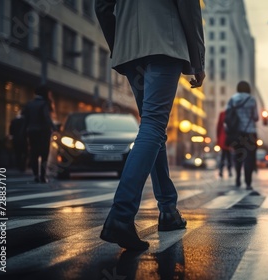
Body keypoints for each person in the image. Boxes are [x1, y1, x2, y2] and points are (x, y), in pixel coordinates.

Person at [95, 0, 206, 250]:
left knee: (153, 128)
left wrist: (120, 44)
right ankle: (121, 216)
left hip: (131, 52)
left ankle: (168, 210)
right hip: (163, 43)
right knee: (154, 126)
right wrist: (198, 61)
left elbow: (101, 6)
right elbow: (188, 6)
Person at [226, 81, 258, 189]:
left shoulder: (233, 99)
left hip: (237, 132)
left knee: (238, 156)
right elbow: (256, 117)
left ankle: (238, 178)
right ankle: (248, 182)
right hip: (250, 132)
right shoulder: (252, 99)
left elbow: (227, 115)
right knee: (249, 157)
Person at [22, 86, 57, 183]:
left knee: (34, 153)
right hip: (43, 132)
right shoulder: (44, 104)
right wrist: (54, 127)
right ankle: (42, 175)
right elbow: (47, 117)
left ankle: (36, 175)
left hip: (31, 131)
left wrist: (24, 131)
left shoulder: (29, 104)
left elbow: (25, 119)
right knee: (44, 154)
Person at [216, 110, 232, 178]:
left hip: (224, 139)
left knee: (223, 156)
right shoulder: (232, 114)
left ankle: (221, 171)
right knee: (228, 157)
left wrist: (218, 139)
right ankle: (228, 171)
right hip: (229, 139)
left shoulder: (222, 114)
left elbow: (218, 127)